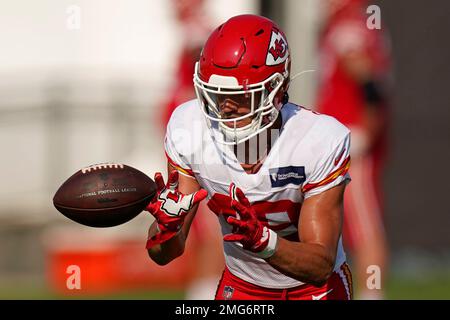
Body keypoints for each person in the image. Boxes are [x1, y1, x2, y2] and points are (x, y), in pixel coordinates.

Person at [146, 14, 353, 300]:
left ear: (276, 90)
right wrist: (166, 229)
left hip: (314, 290)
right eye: (216, 97)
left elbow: (320, 265)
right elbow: (165, 253)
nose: (225, 109)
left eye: (240, 97)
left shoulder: (319, 140)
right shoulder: (189, 128)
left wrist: (263, 241)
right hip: (243, 287)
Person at [316, 0, 390, 299]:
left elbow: (368, 79)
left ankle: (372, 294)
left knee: (364, 225)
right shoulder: (359, 22)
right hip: (344, 139)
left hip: (348, 142)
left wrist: (366, 132)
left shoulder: (348, 25)